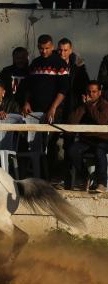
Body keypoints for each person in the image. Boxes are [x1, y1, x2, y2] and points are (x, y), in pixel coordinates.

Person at [23, 34, 69, 180]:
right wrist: (27, 102)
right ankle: (38, 175)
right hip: (35, 111)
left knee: (51, 144)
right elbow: (28, 86)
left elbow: (63, 90)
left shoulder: (60, 64)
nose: (44, 51)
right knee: (35, 143)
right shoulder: (35, 63)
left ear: (52, 47)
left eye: (47, 48)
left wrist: (53, 108)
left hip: (53, 111)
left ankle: (51, 176)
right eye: (41, 48)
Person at [57, 37, 90, 189]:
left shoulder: (78, 66)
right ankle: (61, 177)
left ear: (70, 50)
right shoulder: (54, 63)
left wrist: (84, 97)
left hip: (73, 109)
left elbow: (85, 85)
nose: (62, 53)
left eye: (65, 50)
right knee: (53, 145)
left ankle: (74, 179)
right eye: (60, 50)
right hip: (58, 108)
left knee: (70, 146)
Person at [68, 81, 108, 193]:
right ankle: (86, 176)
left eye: (94, 92)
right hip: (86, 140)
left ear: (99, 93)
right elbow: (72, 122)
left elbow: (101, 121)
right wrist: (83, 107)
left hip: (103, 140)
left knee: (99, 150)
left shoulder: (105, 105)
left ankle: (102, 183)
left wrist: (89, 105)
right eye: (89, 92)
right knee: (72, 150)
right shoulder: (83, 105)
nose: (91, 94)